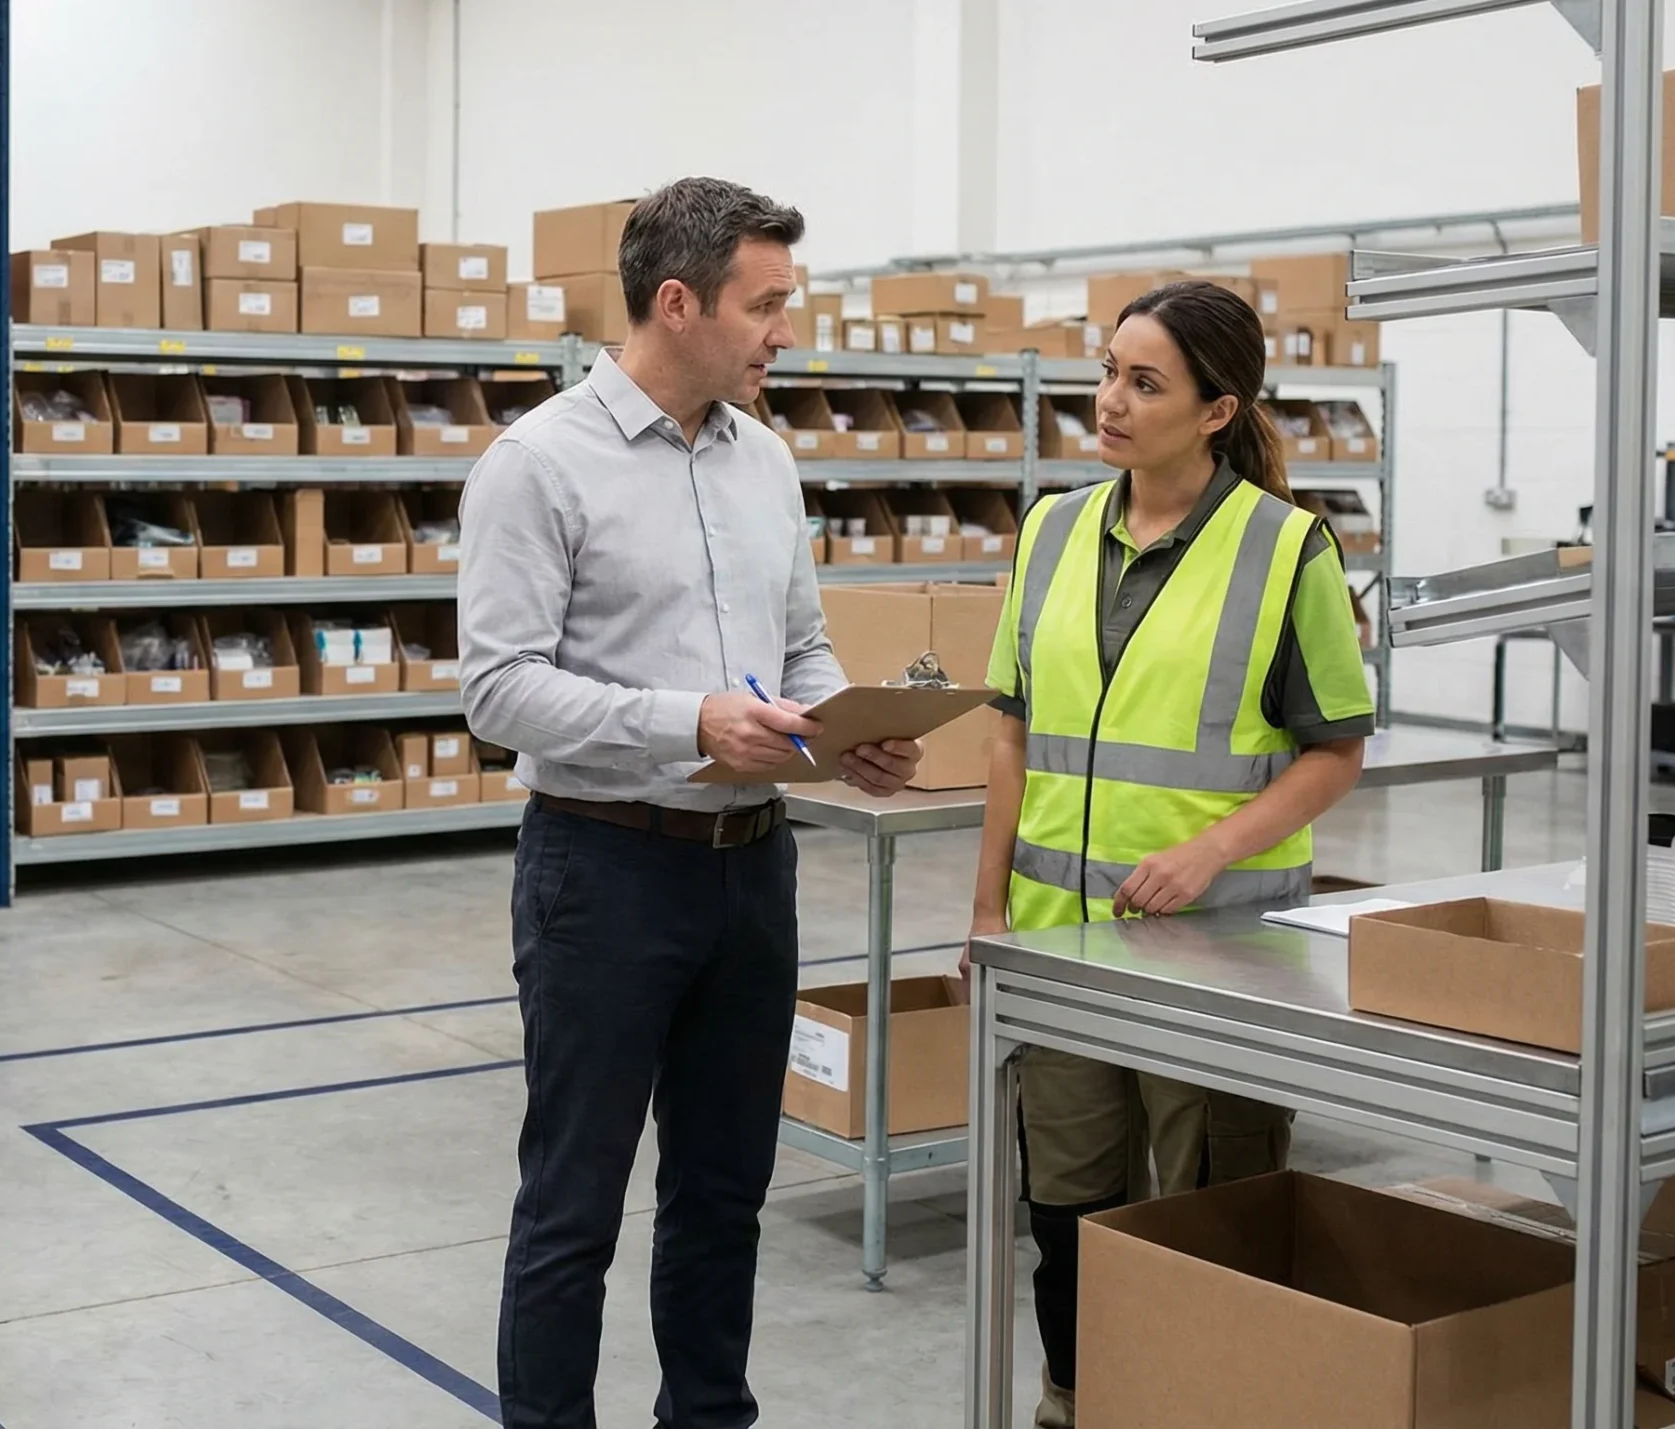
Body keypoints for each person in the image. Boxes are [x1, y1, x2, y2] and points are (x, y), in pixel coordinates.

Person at [458, 176, 921, 1429]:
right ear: (676, 303)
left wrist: (845, 733)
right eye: (765, 305)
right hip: (602, 871)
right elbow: (497, 692)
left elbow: (801, 641)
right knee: (574, 1206)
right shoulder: (536, 466)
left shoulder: (765, 459)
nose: (786, 332)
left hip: (750, 866)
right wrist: (688, 719)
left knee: (723, 1191)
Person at [967, 279, 1375, 1428]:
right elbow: (1010, 732)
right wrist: (987, 911)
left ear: (1214, 409)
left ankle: (1205, 1401)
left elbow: (1333, 751)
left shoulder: (1286, 548)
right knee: (1067, 1209)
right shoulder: (1049, 529)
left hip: (1214, 956)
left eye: (1142, 382)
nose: (1108, 400)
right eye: (1106, 371)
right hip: (1059, 951)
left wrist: (1206, 853)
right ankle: (1074, 1398)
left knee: (1212, 1210)